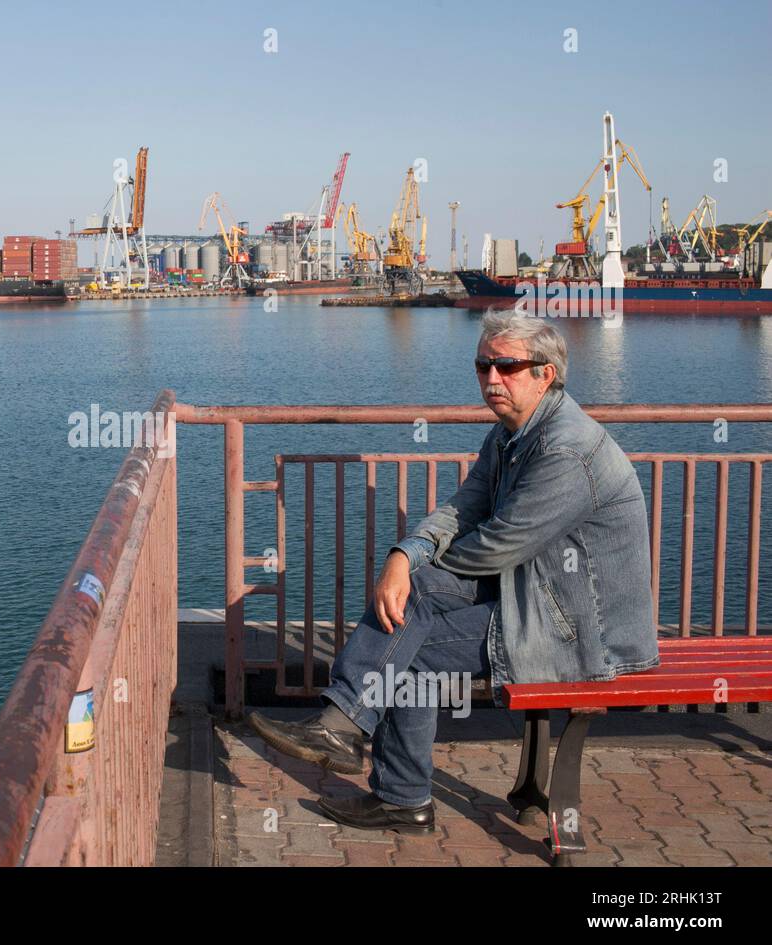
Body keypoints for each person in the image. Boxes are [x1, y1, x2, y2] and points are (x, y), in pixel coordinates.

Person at [248, 309, 657, 834]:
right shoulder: (512, 433)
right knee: (405, 630)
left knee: (406, 634)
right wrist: (403, 556)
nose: (491, 379)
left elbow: (501, 544)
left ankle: (361, 748)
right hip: (533, 599)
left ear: (545, 374)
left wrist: (416, 574)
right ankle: (380, 772)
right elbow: (465, 507)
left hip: (579, 632)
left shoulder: (567, 449)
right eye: (483, 366)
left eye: (507, 367)